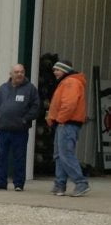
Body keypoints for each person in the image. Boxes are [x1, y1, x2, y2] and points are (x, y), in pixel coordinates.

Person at [0, 63, 39, 190]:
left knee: (19, 158)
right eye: (17, 72)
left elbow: (36, 107)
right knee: (1, 157)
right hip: (3, 129)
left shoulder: (30, 89)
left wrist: (25, 119)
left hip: (20, 131)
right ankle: (1, 182)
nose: (19, 74)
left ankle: (19, 184)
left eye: (22, 72)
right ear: (11, 74)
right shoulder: (3, 89)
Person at [46, 59, 90, 197]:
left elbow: (69, 104)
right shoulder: (68, 82)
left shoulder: (70, 82)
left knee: (65, 155)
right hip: (65, 123)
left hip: (67, 123)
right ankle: (60, 185)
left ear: (64, 70)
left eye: (57, 70)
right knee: (59, 155)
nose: (54, 73)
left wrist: (60, 119)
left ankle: (81, 183)